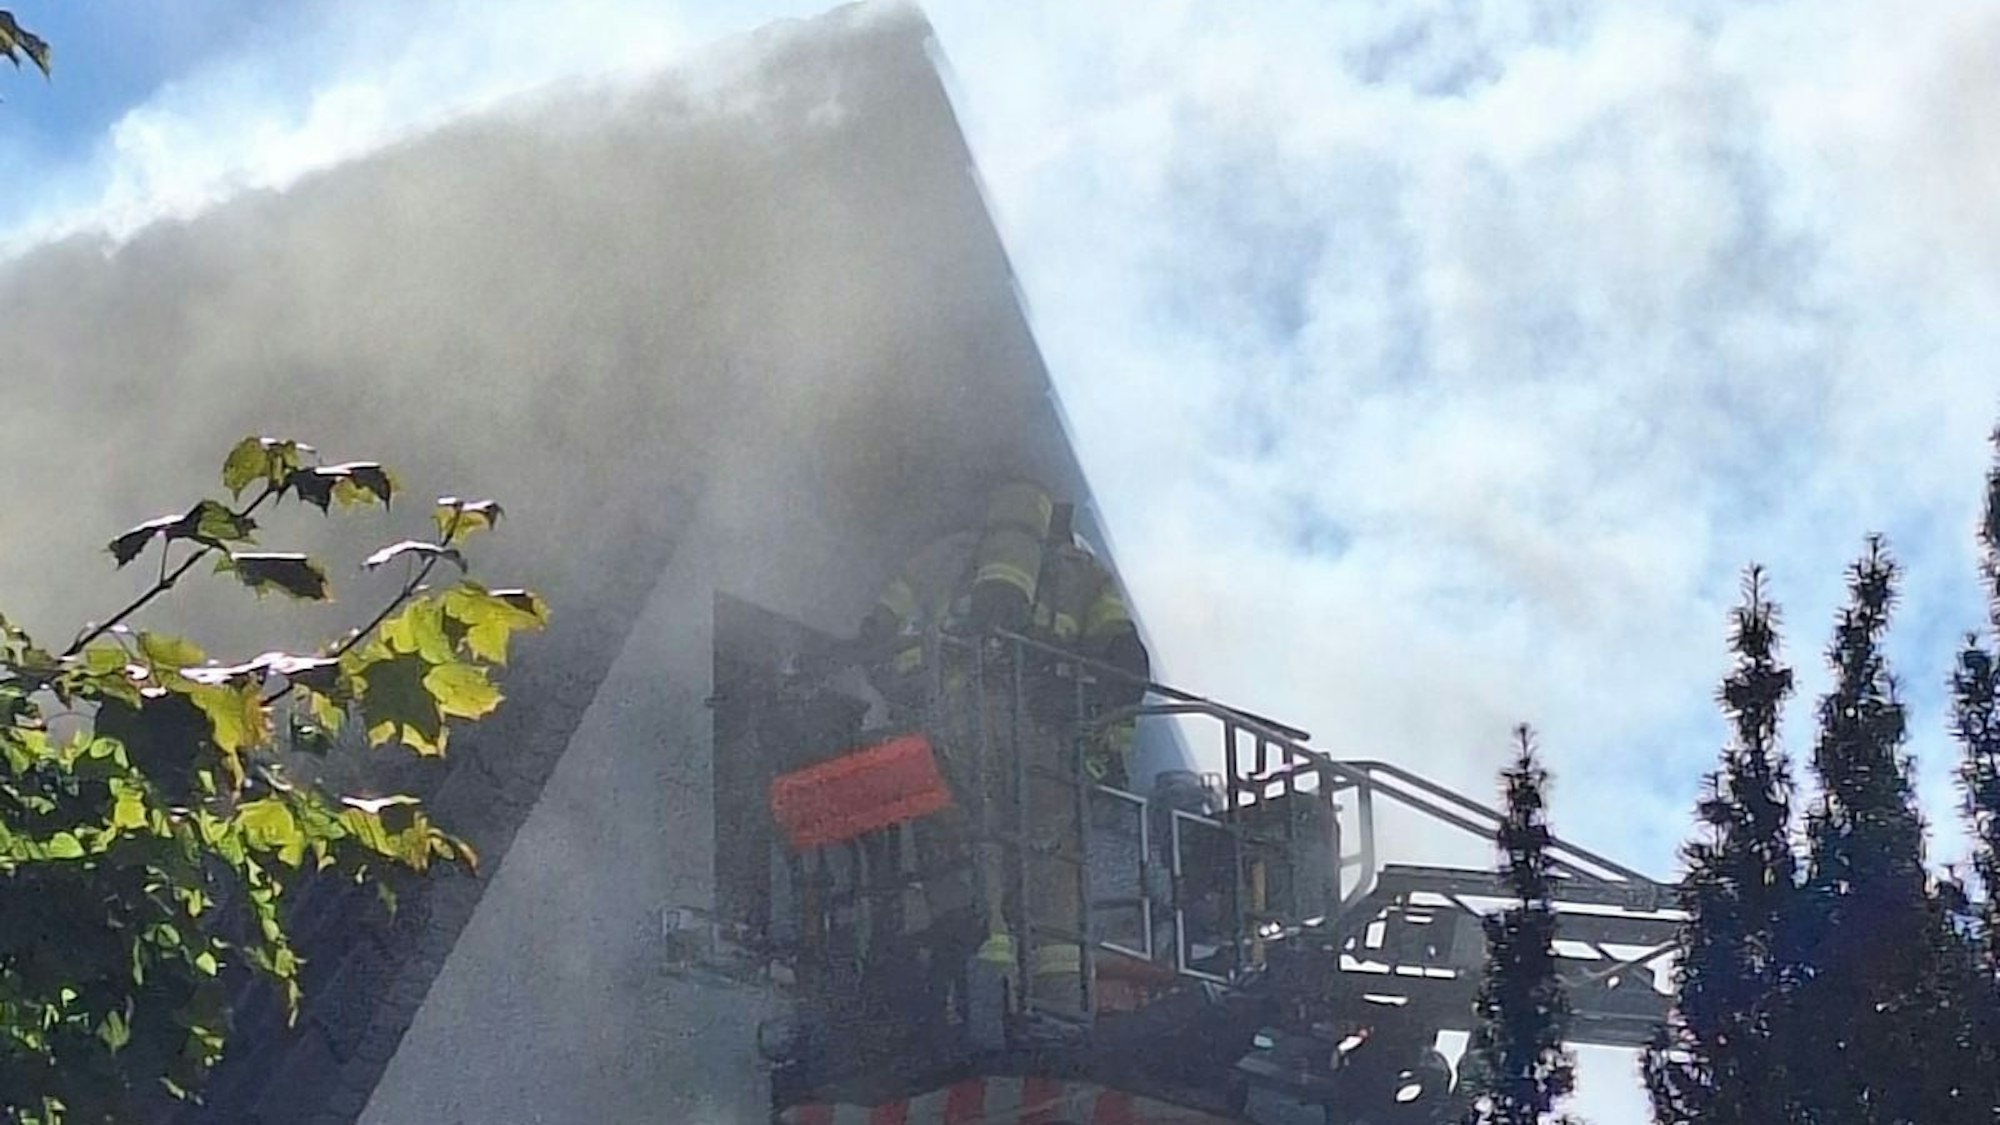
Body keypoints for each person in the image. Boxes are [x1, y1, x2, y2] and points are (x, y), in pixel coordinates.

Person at [852, 478, 1151, 1012]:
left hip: (951, 725)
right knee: (1052, 862)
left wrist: (910, 689)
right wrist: (1091, 726)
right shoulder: (1082, 574)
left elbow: (876, 635)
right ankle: (1057, 1000)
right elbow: (1128, 664)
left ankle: (978, 981)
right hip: (1044, 737)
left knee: (961, 844)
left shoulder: (941, 558)